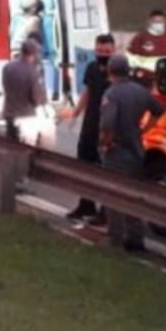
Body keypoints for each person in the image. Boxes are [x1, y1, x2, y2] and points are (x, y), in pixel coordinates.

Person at [99, 53, 166, 250]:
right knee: (133, 196)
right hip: (136, 149)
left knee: (114, 196)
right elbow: (159, 110)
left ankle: (115, 238)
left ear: (110, 71)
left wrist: (104, 144)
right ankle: (136, 238)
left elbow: (108, 124)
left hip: (116, 151)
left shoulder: (112, 94)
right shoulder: (140, 91)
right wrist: (144, 130)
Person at [62, 33, 116, 225]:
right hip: (90, 124)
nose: (103, 54)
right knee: (84, 165)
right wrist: (76, 112)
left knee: (105, 169)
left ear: (114, 50)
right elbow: (88, 91)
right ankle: (86, 204)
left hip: (106, 126)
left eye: (107, 51)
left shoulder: (117, 72)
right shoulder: (92, 67)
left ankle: (106, 211)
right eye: (100, 51)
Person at [1, 39, 48, 142]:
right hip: (26, 117)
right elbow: (36, 98)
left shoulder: (7, 67)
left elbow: (5, 87)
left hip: (10, 114)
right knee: (27, 146)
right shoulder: (32, 72)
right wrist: (43, 101)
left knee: (10, 144)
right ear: (33, 54)